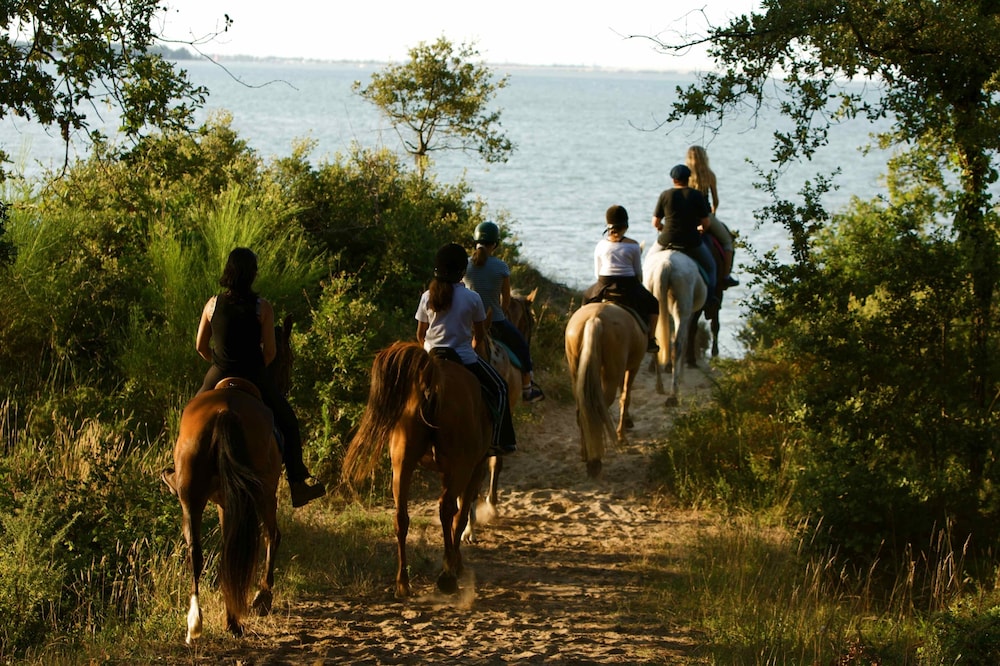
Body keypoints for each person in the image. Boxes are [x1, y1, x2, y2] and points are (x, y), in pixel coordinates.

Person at [195, 247, 326, 508]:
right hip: (253, 374)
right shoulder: (262, 307)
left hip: (219, 372)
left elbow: (200, 346)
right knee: (288, 421)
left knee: (191, 414)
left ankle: (179, 472)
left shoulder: (212, 304)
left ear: (229, 271)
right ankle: (298, 483)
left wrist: (220, 364)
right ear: (252, 274)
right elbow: (270, 352)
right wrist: (254, 370)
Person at [416, 243, 517, 455]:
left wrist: (427, 350)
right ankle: (499, 440)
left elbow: (420, 334)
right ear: (462, 271)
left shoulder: (426, 296)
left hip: (430, 357)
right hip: (463, 358)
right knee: (500, 388)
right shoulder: (472, 298)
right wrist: (471, 347)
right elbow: (479, 335)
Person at [463, 221, 544, 404]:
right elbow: (506, 301)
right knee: (522, 347)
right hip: (495, 322)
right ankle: (527, 389)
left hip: (468, 323)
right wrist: (501, 310)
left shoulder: (465, 265)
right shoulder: (501, 267)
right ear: (495, 244)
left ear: (475, 241)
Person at [583, 205, 660, 352]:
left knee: (586, 298)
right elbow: (638, 272)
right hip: (628, 285)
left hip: (604, 283)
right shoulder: (633, 246)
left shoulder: (600, 245)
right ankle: (651, 340)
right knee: (653, 303)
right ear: (625, 226)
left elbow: (597, 272)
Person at [651, 163, 720, 317]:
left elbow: (655, 222)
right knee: (711, 267)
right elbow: (706, 222)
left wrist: (663, 229)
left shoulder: (665, 195)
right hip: (691, 242)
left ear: (673, 179)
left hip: (667, 240)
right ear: (688, 179)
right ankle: (710, 300)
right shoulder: (696, 195)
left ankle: (645, 299)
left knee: (647, 263)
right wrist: (700, 229)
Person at [686, 145, 738, 288]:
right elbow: (715, 200)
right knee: (727, 242)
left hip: (688, 218)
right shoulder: (709, 175)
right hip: (706, 216)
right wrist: (713, 213)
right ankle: (726, 276)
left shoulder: (685, 176)